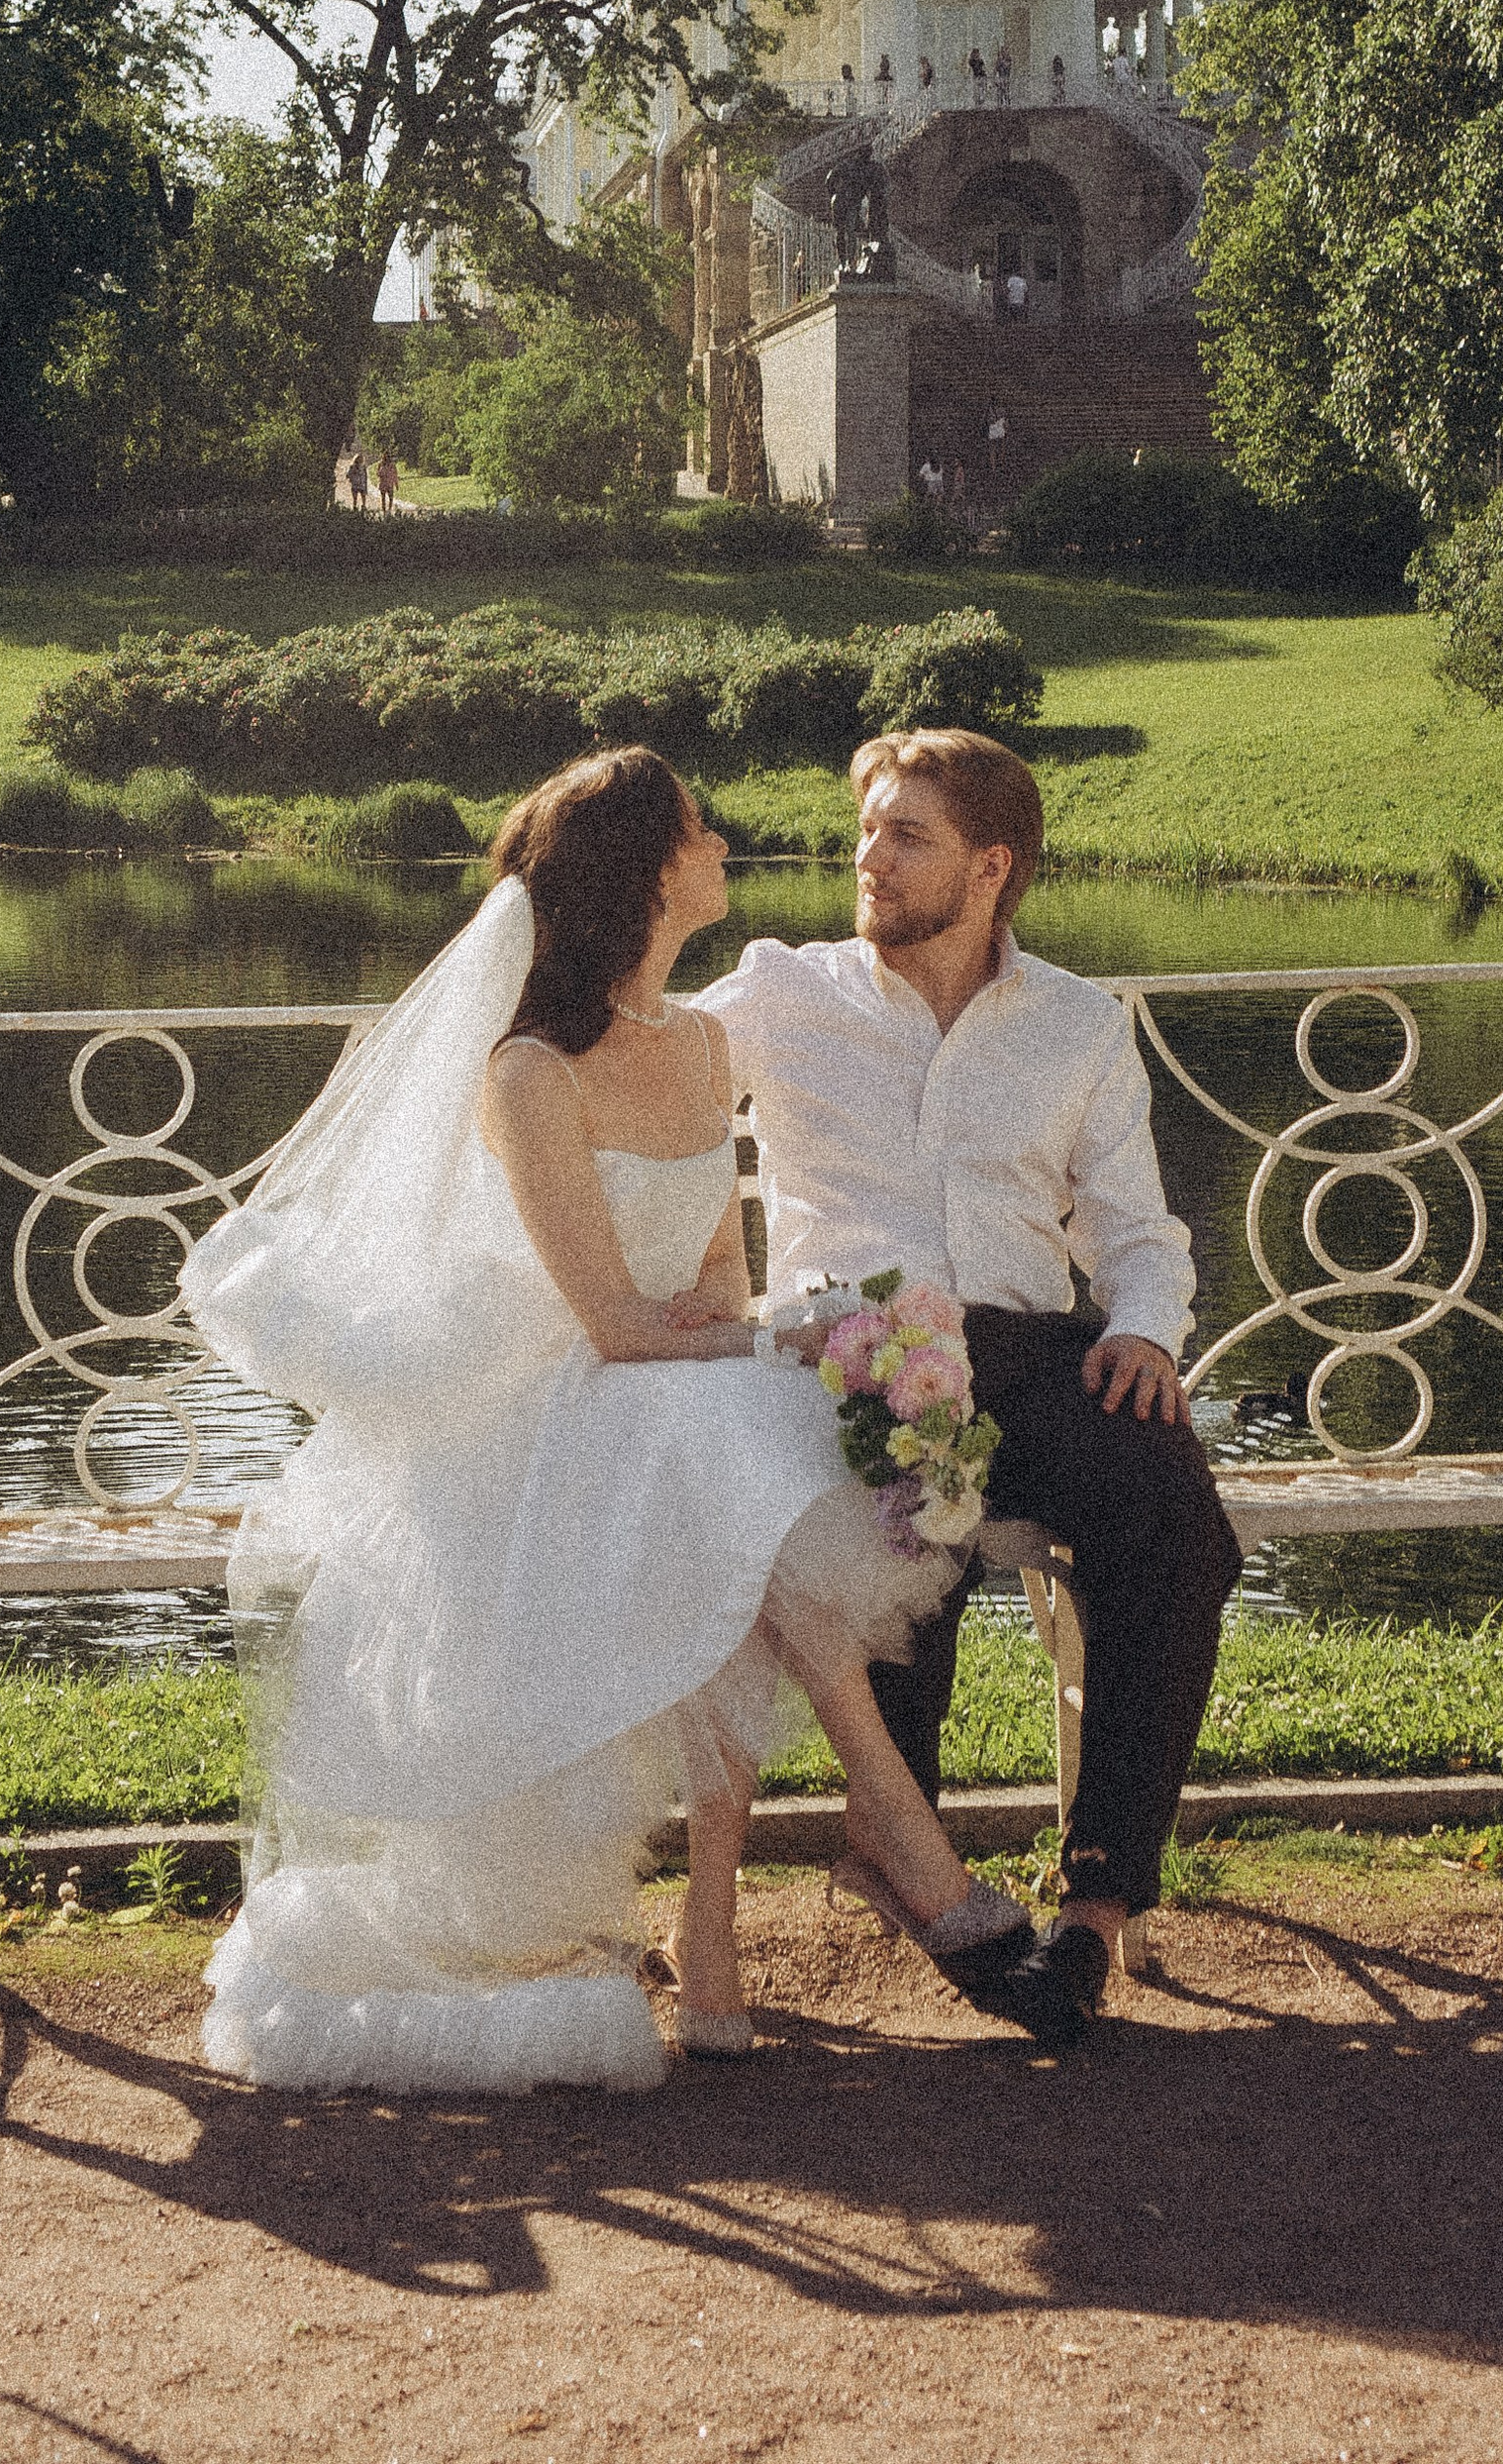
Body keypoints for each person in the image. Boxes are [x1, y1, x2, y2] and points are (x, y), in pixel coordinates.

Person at [179, 749, 1074, 2097]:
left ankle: (735, 1922)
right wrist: (773, 1338)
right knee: (726, 1459)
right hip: (532, 1410)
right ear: (658, 874)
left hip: (663, 1394)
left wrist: (768, 1335)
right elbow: (605, 1321)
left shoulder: (708, 1044)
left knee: (733, 1458)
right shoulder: (530, 1070)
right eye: (704, 830)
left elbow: (715, 1277)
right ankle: (891, 1850)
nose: (726, 843)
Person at [696, 730, 1244, 2037]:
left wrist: (1149, 1333)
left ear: (991, 866)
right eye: (866, 830)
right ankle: (908, 1848)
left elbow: (1136, 1233)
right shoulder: (782, 993)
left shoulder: (1077, 1024)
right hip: (850, 1350)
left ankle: (1097, 1906)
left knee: (1175, 1520)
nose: (866, 860)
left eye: (906, 837)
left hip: (1029, 1350)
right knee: (910, 1494)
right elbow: (641, 1093)